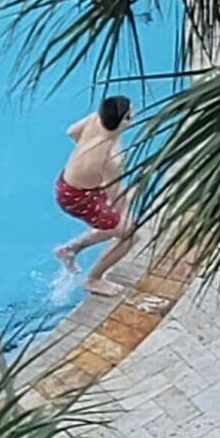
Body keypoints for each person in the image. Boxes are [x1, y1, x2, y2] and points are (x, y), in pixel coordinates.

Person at [52, 95, 140, 297]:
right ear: (125, 119)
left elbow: (72, 132)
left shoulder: (95, 119)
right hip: (78, 199)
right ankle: (93, 280)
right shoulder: (111, 157)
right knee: (129, 234)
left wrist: (87, 163)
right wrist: (123, 214)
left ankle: (69, 249)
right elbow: (116, 195)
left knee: (117, 225)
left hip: (66, 183)